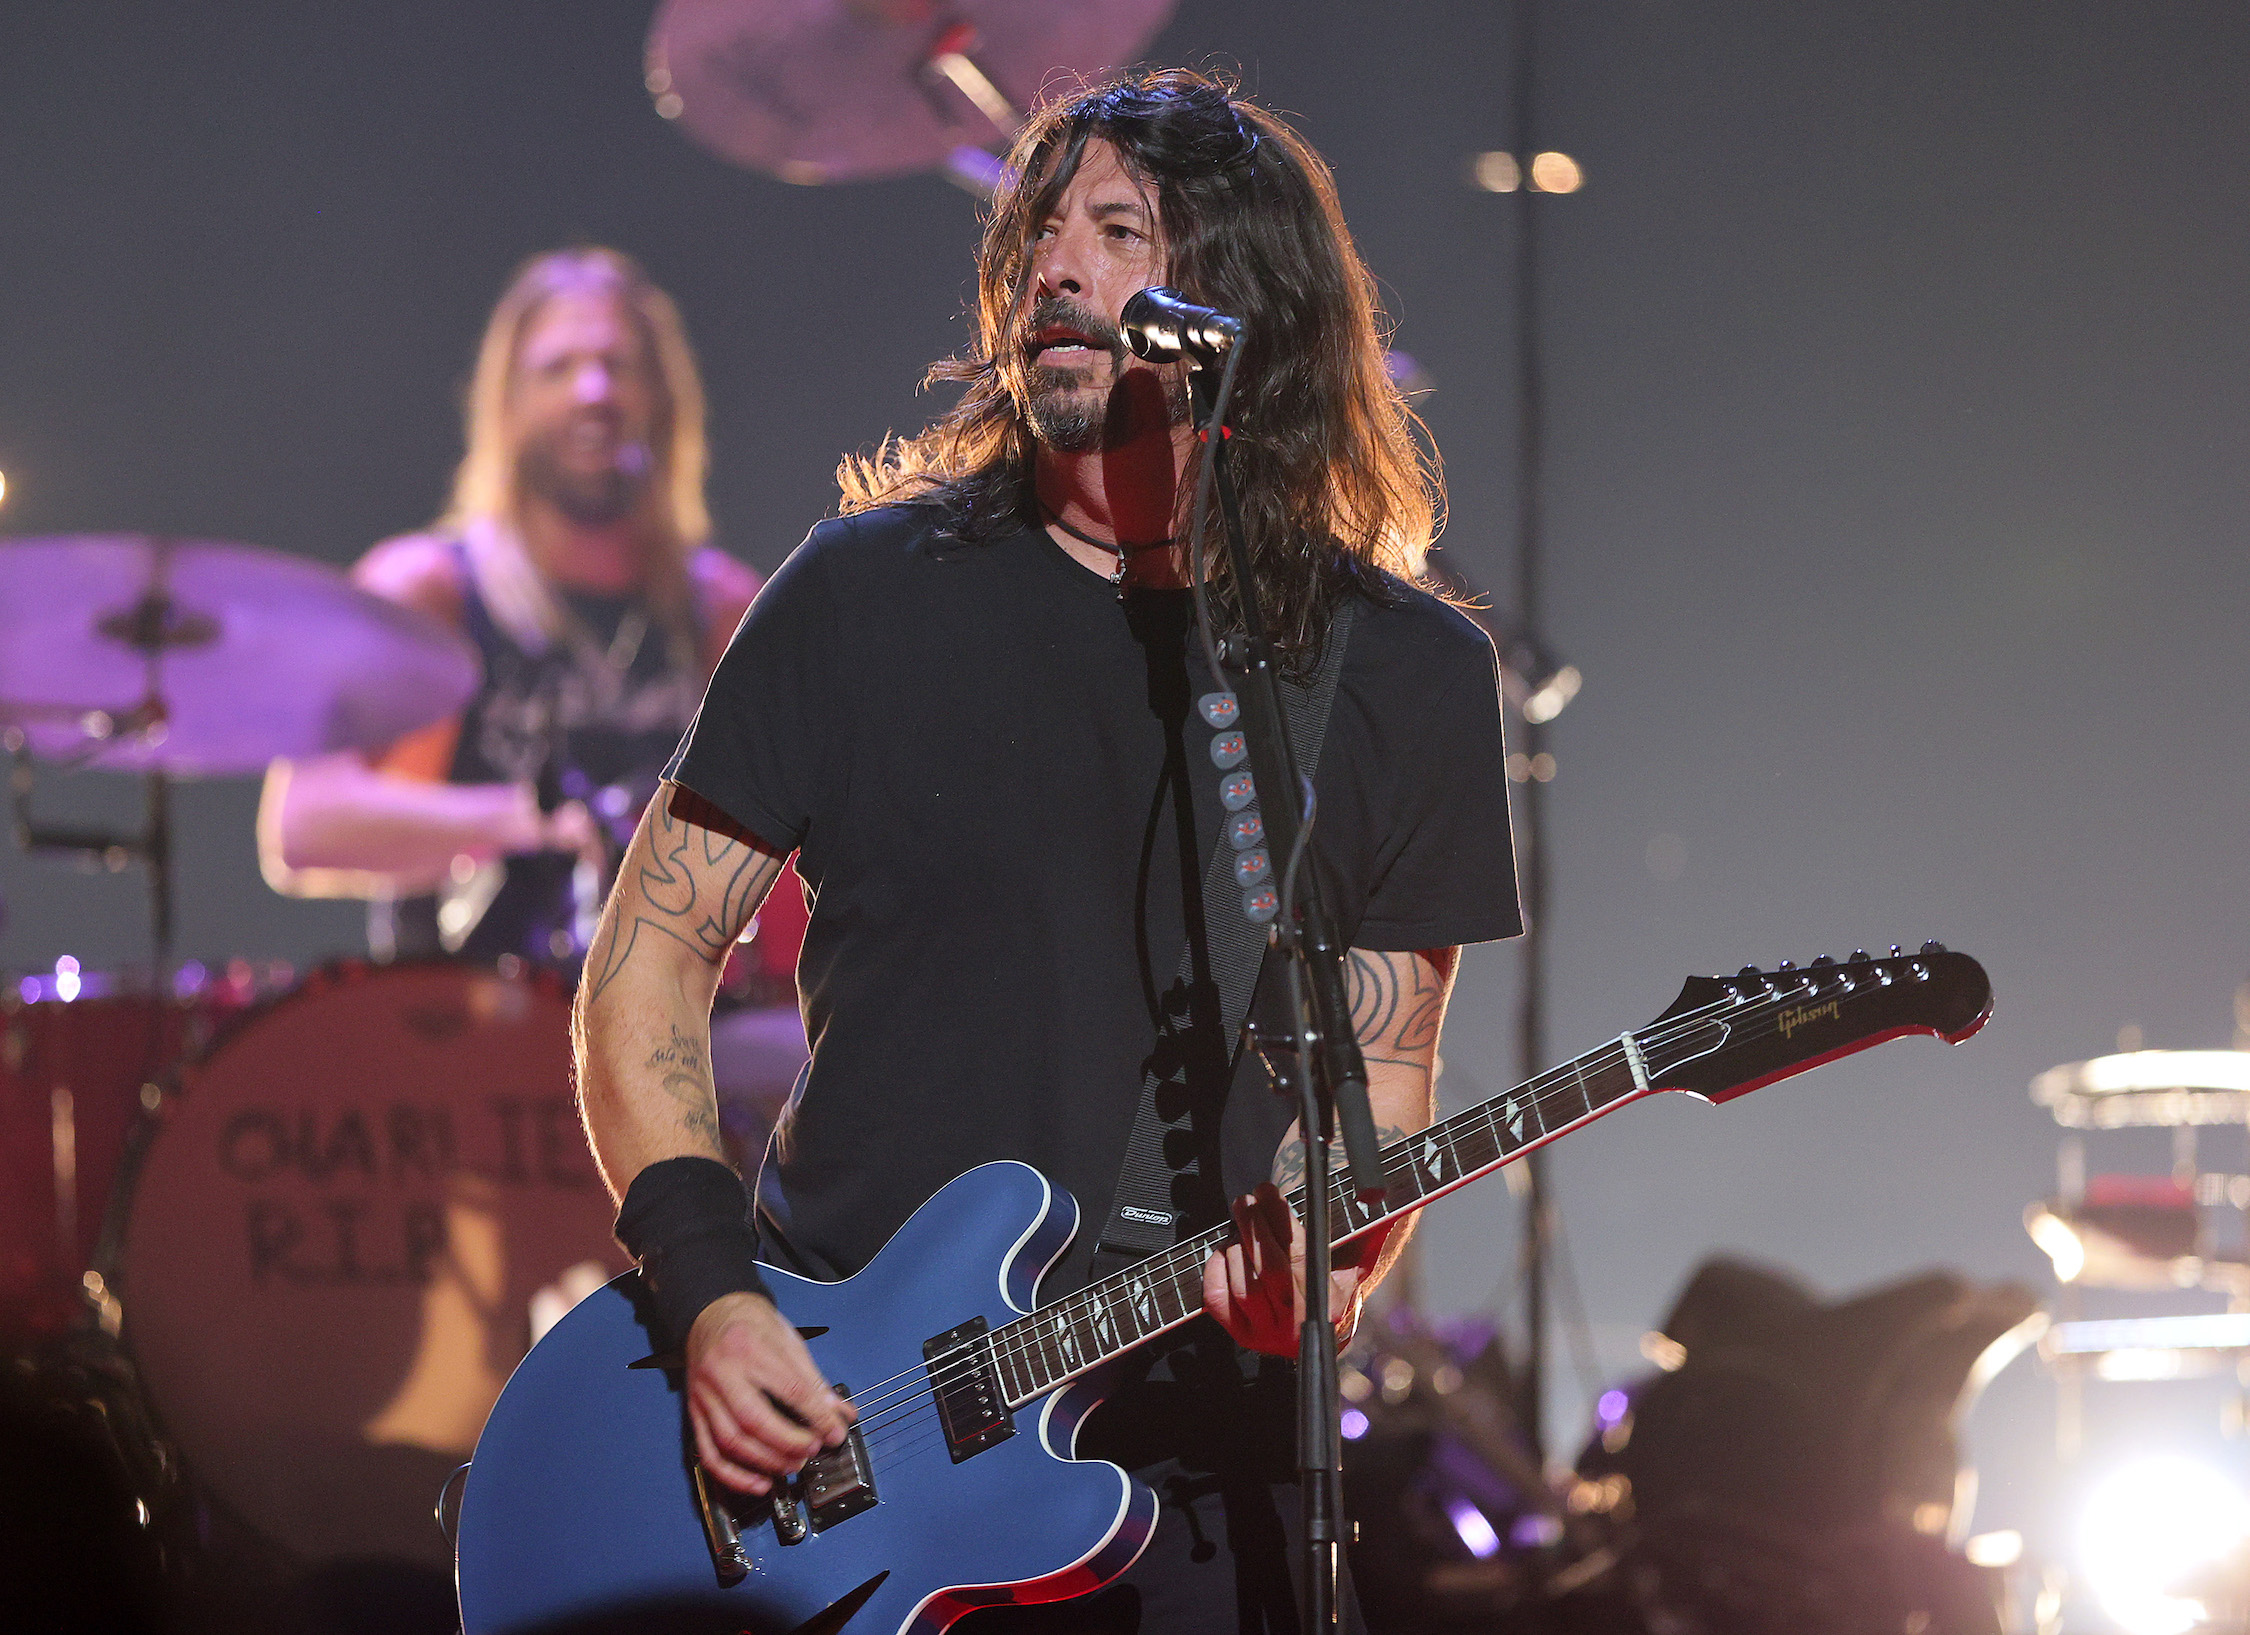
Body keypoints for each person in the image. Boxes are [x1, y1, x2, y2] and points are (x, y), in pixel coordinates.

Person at [576, 71, 1522, 1634]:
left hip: (1196, 1491)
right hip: (849, 1445)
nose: (1055, 270)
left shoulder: (1399, 672)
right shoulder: (865, 592)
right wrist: (709, 1286)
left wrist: (1321, 1264)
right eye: (1040, 232)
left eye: (1119, 230)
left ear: (1241, 303)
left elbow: (1387, 1070)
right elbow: (651, 949)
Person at [255, 246, 793, 979]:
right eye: (557, 367)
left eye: (618, 364)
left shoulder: (721, 608)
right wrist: (528, 825)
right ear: (507, 404)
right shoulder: (430, 588)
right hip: (462, 1038)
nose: (592, 391)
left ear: (663, 399)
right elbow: (304, 824)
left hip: (674, 1038)